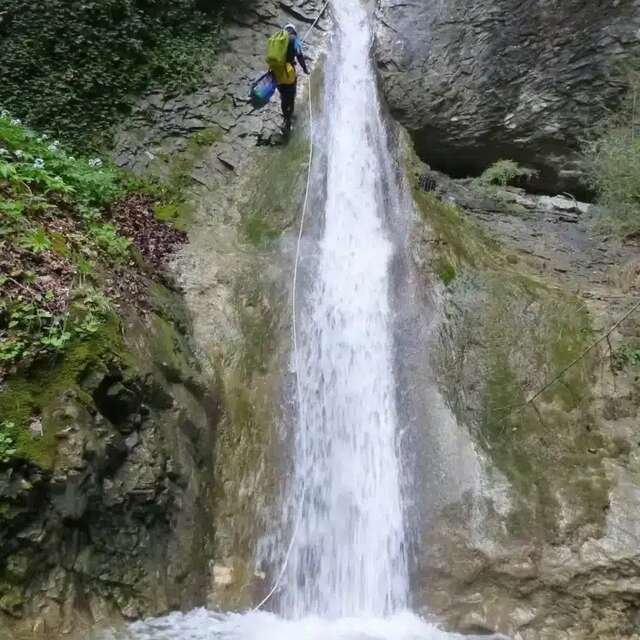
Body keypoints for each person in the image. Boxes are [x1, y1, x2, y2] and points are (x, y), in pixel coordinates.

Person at [272, 23, 309, 130]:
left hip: (278, 72)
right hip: (289, 73)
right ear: (294, 31)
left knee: (283, 96)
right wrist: (305, 69)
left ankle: (285, 118)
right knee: (291, 96)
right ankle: (289, 118)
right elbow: (300, 56)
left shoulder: (278, 38)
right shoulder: (295, 39)